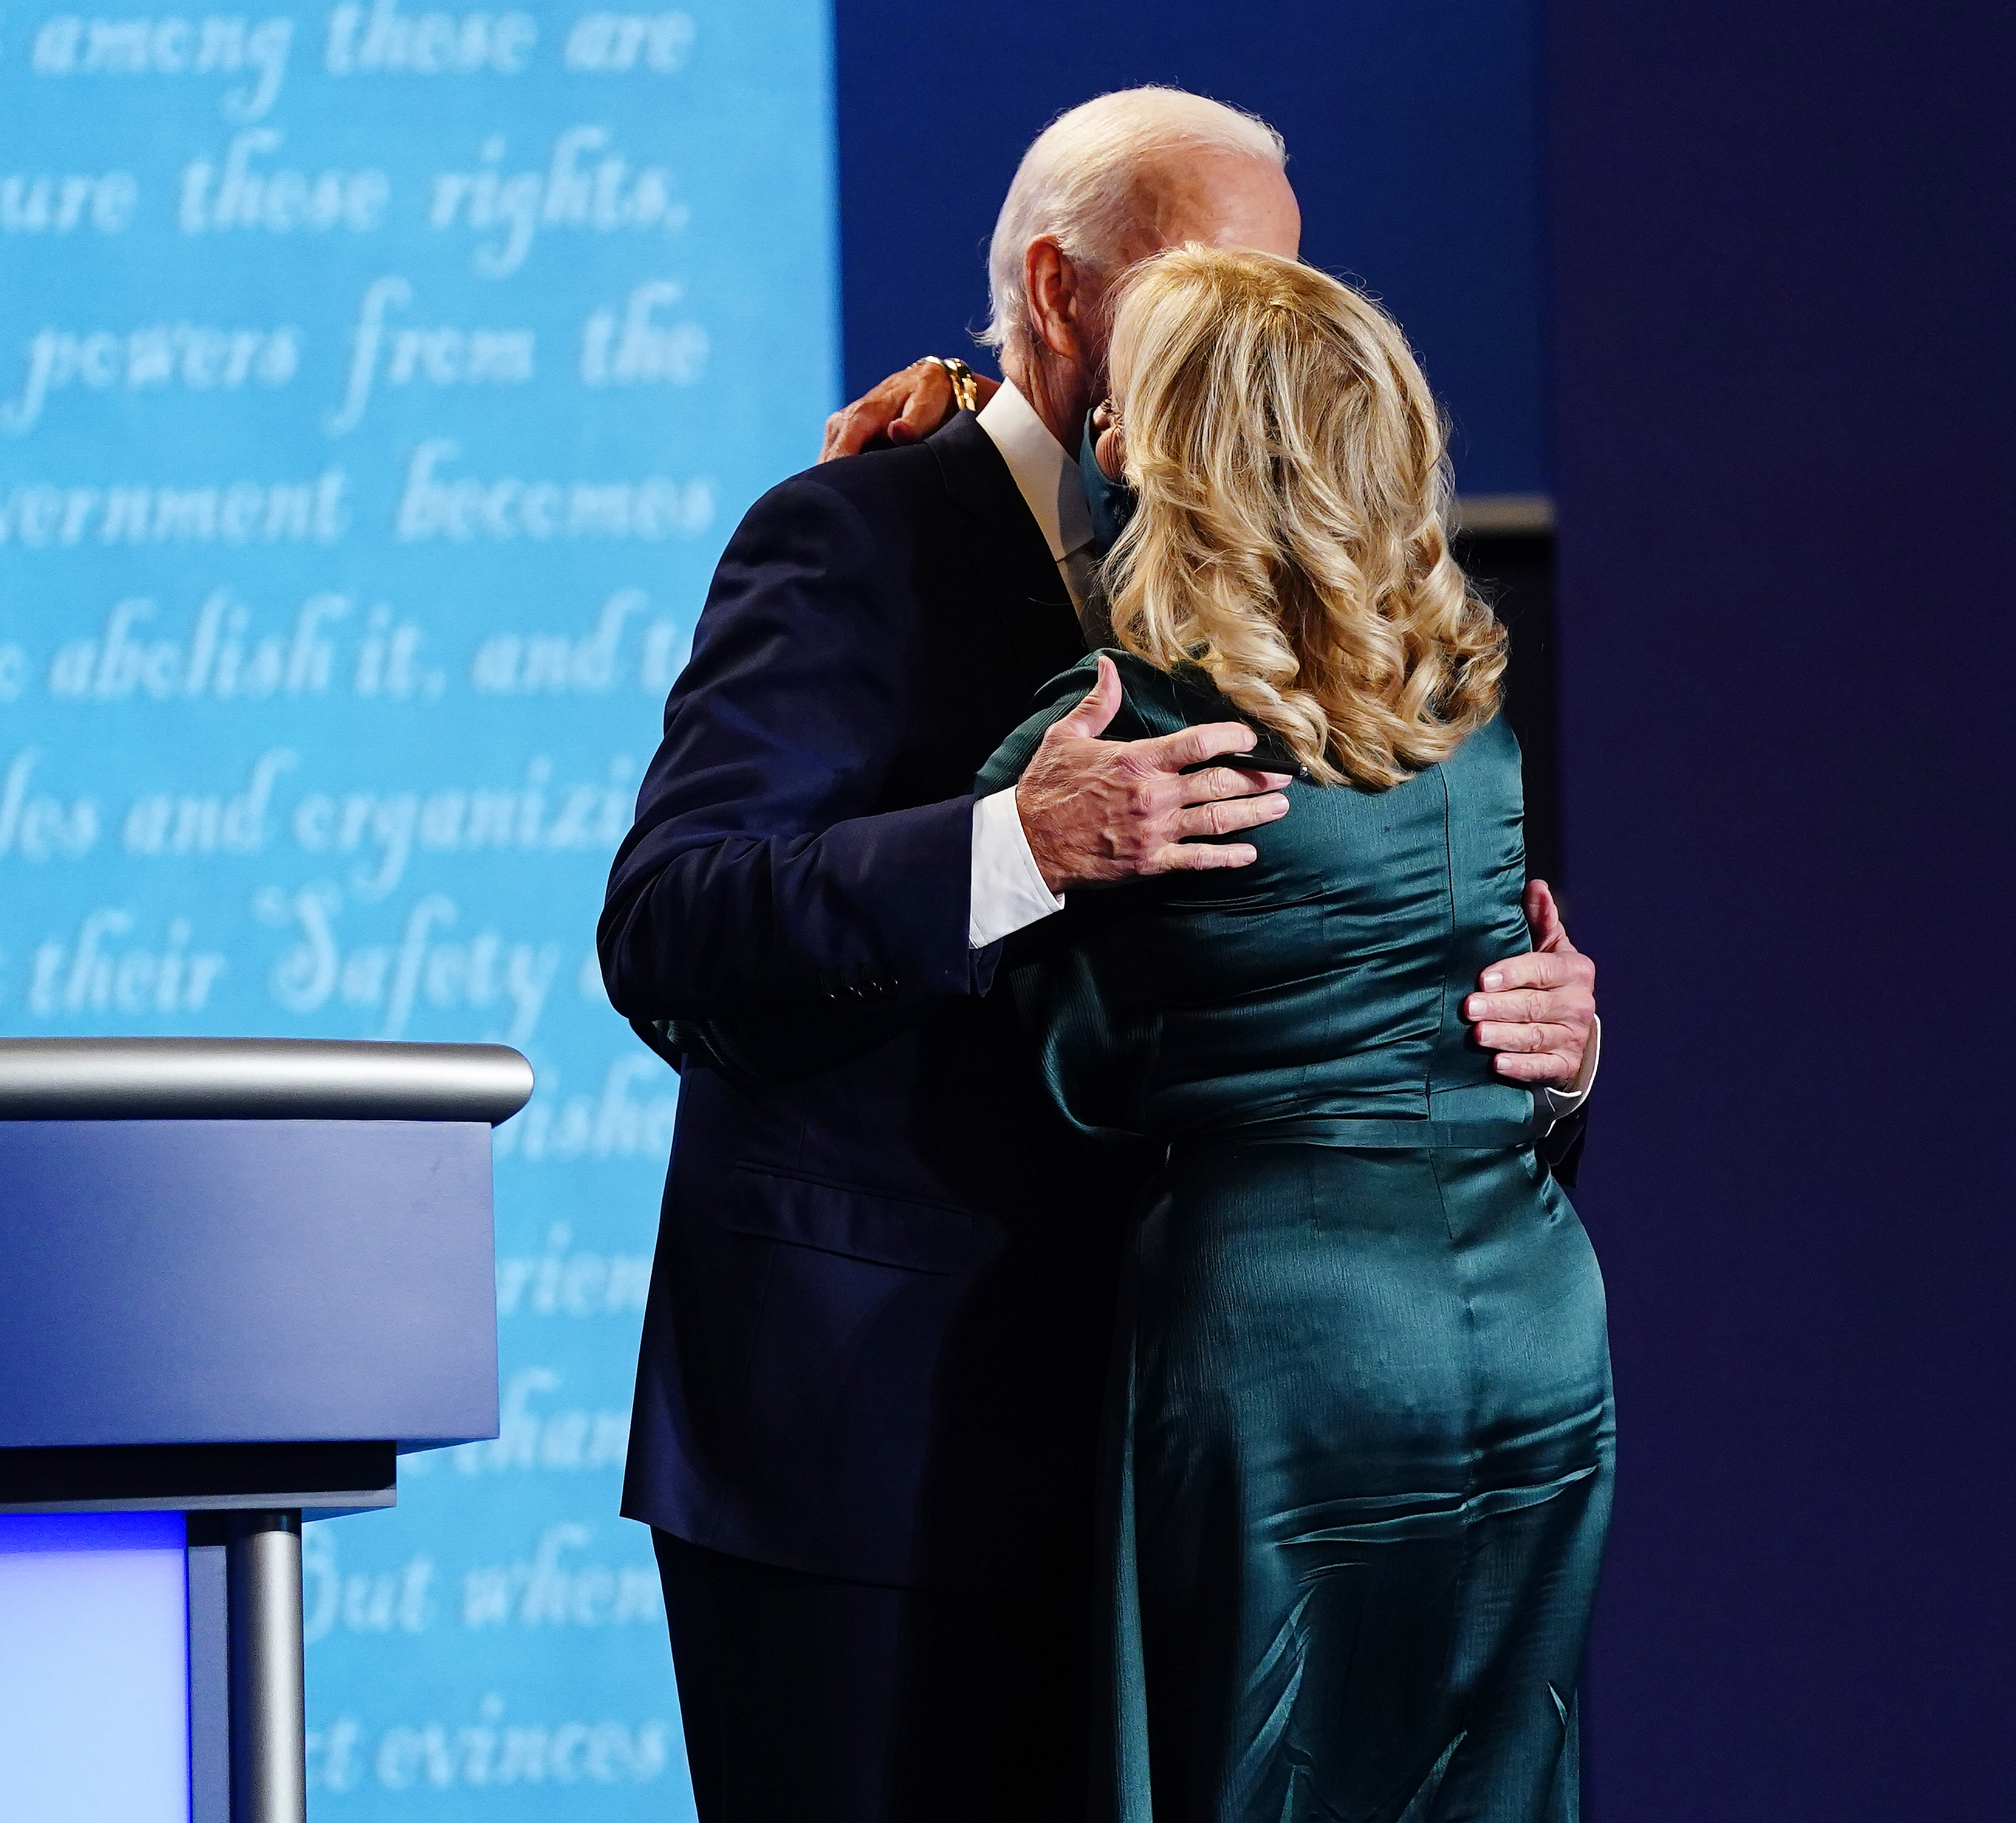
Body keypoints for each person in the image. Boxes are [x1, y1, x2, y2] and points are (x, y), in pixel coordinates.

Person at [598, 88, 1599, 1821]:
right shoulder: (848, 534)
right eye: (1204, 280)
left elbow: (1372, 959)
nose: (1255, 330)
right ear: (1061, 295)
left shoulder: (1309, 573)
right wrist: (1014, 845)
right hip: (882, 1463)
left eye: (1284, 285)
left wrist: (1538, 1045)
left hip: (1196, 1449)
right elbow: (672, 927)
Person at [976, 245, 1611, 1819]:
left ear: (1182, 446)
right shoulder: (1462, 724)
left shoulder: (1117, 732)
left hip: (1282, 1341)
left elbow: (1035, 1078)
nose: (1102, 421)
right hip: (1533, 1323)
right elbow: (1488, 1030)